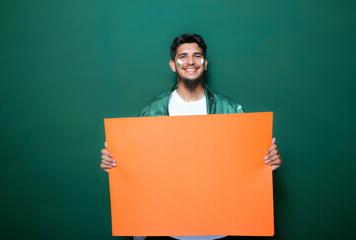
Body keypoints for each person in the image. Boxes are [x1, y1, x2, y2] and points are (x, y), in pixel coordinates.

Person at [100, 33, 282, 240]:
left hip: (220, 231)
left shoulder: (229, 109)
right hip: (169, 232)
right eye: (183, 56)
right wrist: (114, 163)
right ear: (173, 64)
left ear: (205, 64)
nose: (190, 62)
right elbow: (140, 171)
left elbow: (245, 166)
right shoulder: (152, 111)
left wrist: (267, 162)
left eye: (197, 56)